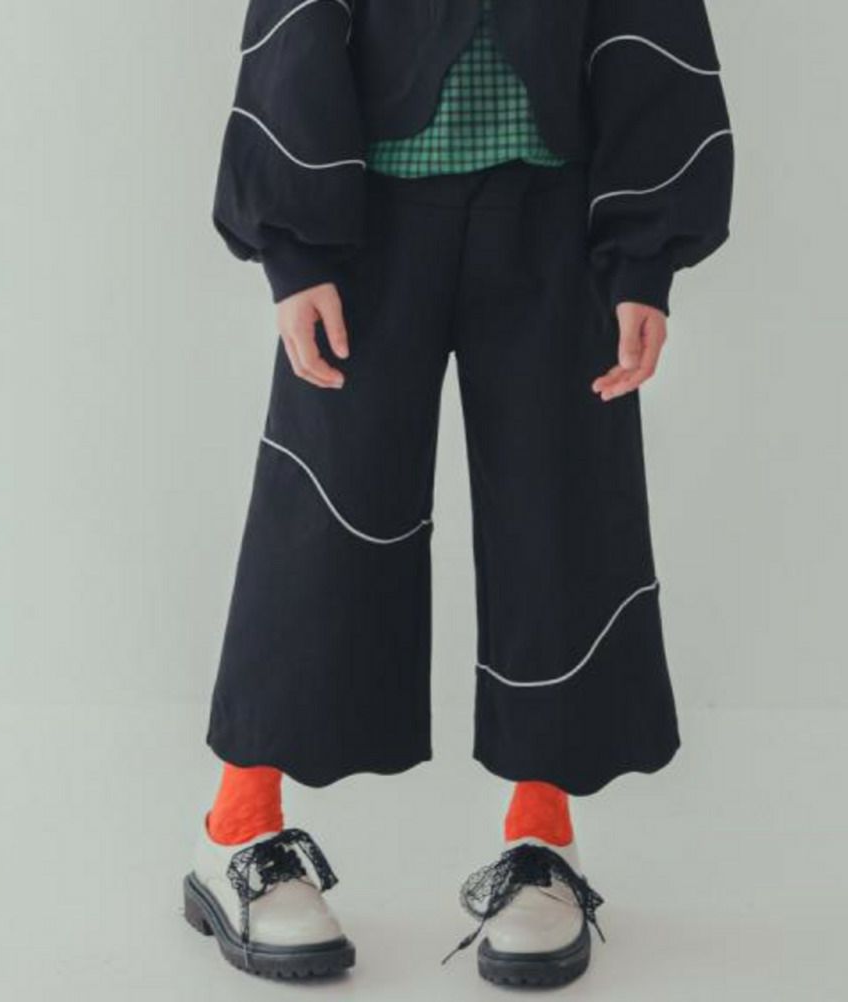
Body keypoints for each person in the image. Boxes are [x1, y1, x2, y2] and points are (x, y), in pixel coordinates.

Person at [183, 0, 733, 987]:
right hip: (364, 216)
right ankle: (240, 824)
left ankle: (541, 835)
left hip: (555, 215)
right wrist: (294, 248)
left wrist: (644, 257)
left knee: (561, 516)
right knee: (322, 513)